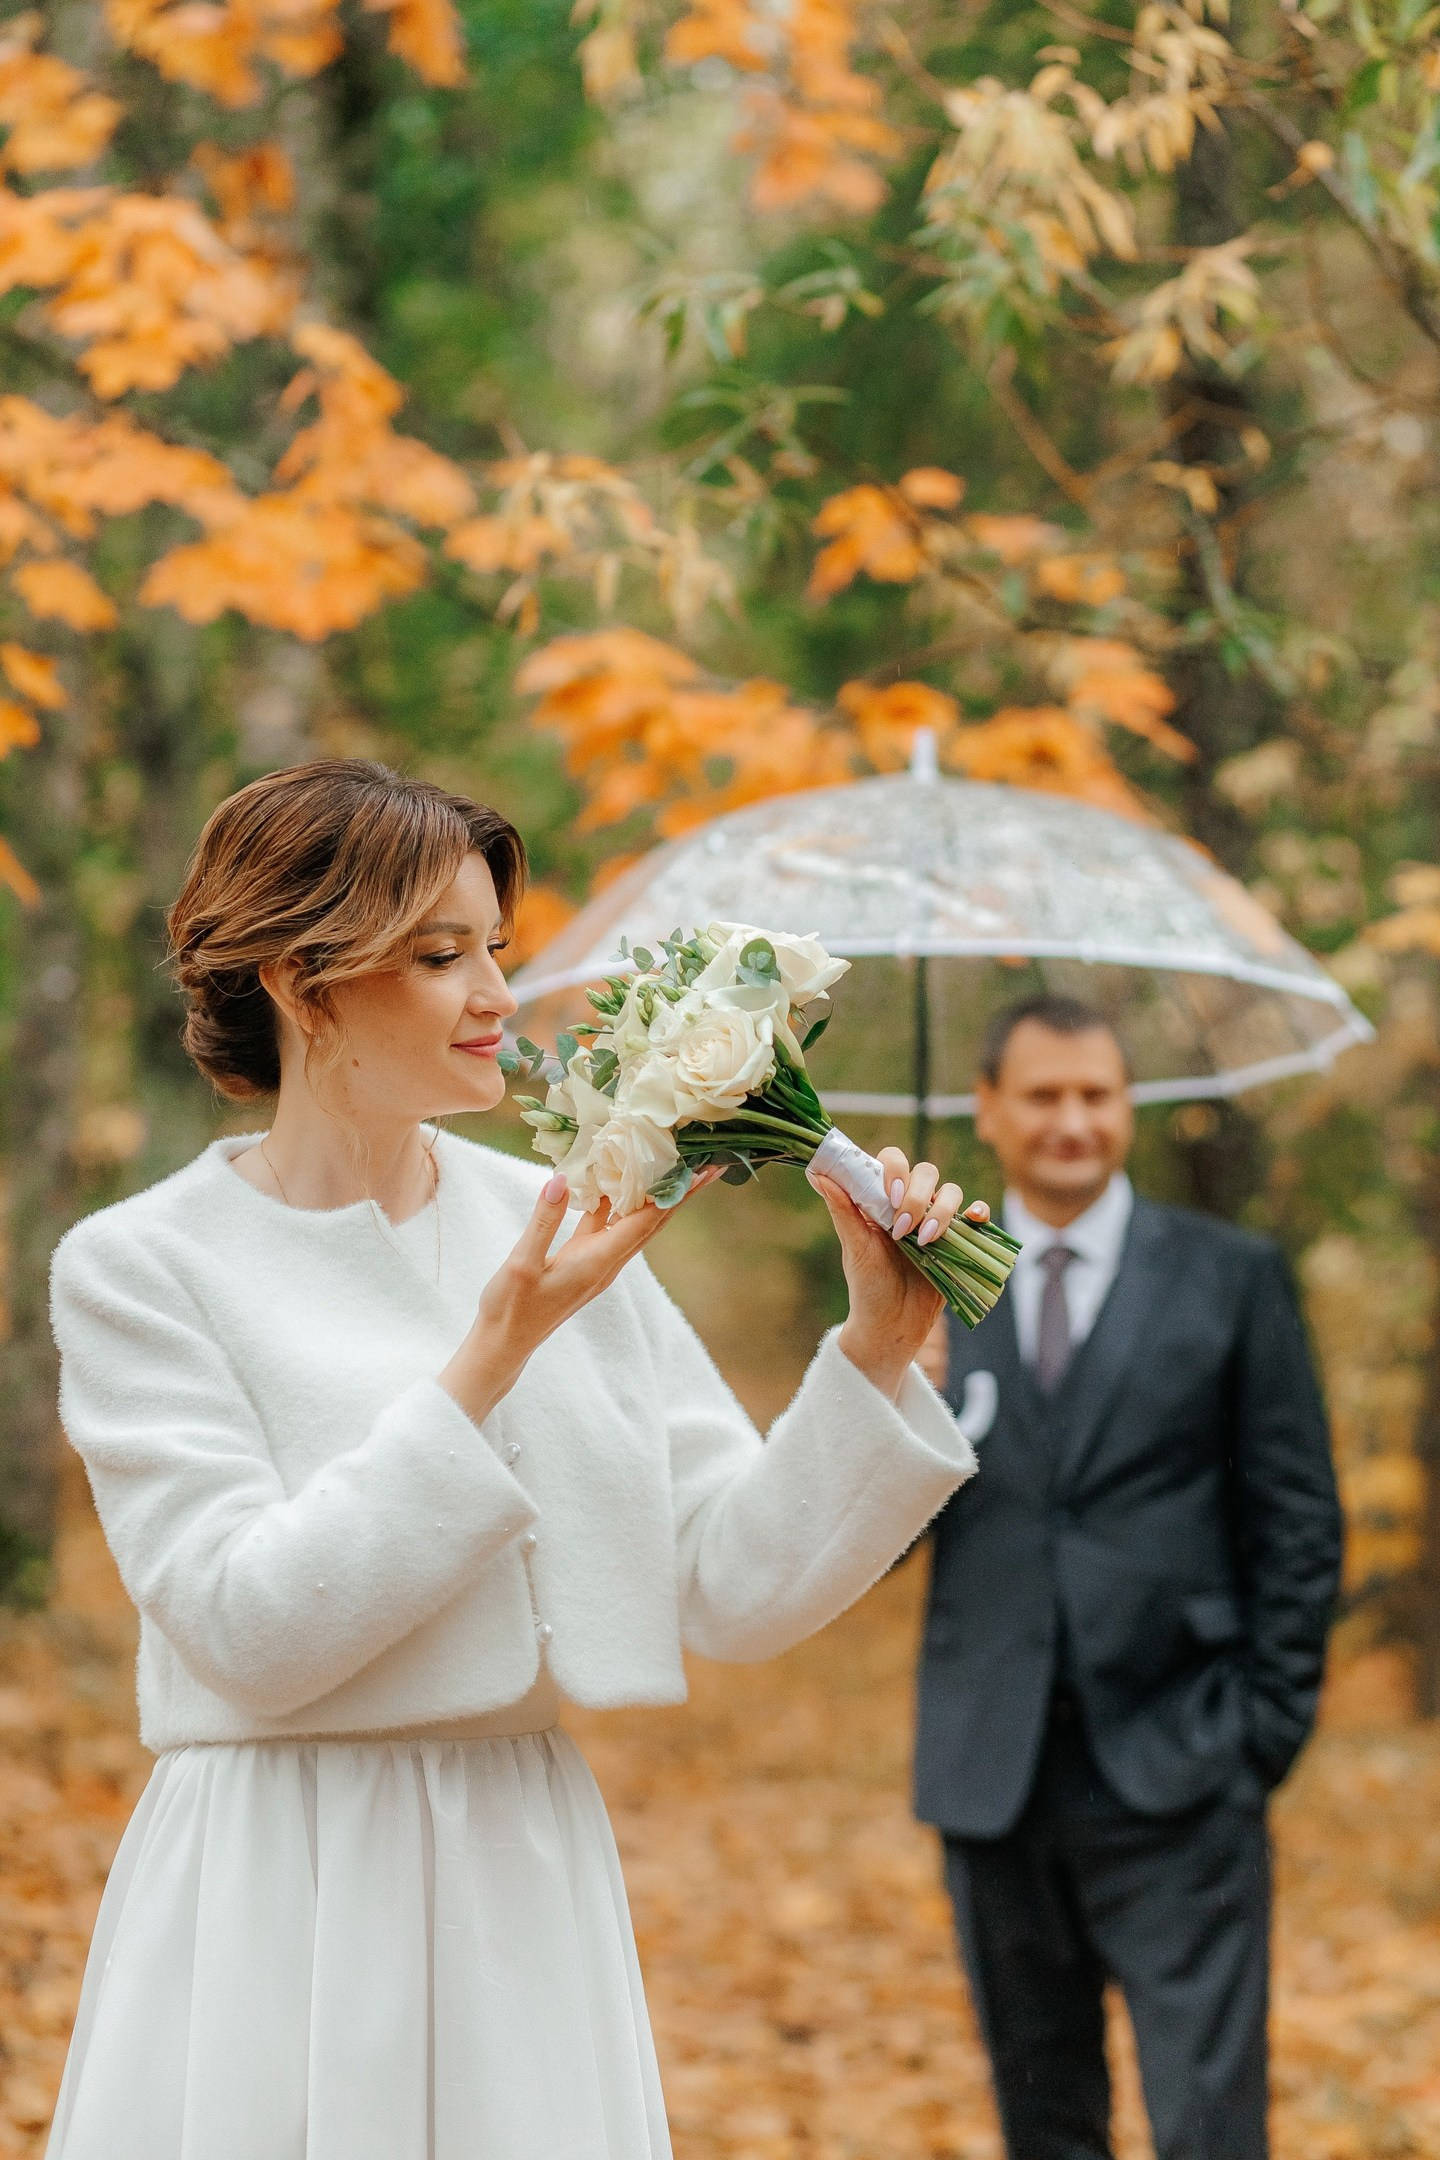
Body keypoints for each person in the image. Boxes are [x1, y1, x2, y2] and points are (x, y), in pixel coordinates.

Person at [46, 758, 984, 2160]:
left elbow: (731, 1585)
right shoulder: (142, 1266)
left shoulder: (562, 1214)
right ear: (307, 985)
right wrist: (494, 1353)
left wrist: (876, 1352)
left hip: (517, 1860)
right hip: (279, 1877)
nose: (497, 995)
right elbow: (245, 1630)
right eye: (441, 956)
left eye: (497, 948)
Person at [914, 993, 1342, 2160]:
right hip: (991, 1769)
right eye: (1044, 1096)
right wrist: (888, 1382)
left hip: (1185, 1761)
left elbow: (1298, 1516)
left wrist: (1264, 1732)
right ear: (987, 1111)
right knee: (1043, 2120)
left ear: (1128, 1109)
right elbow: (870, 1527)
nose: (1074, 1121)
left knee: (1208, 2122)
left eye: (1097, 1095)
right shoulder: (927, 1280)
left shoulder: (1231, 1274)